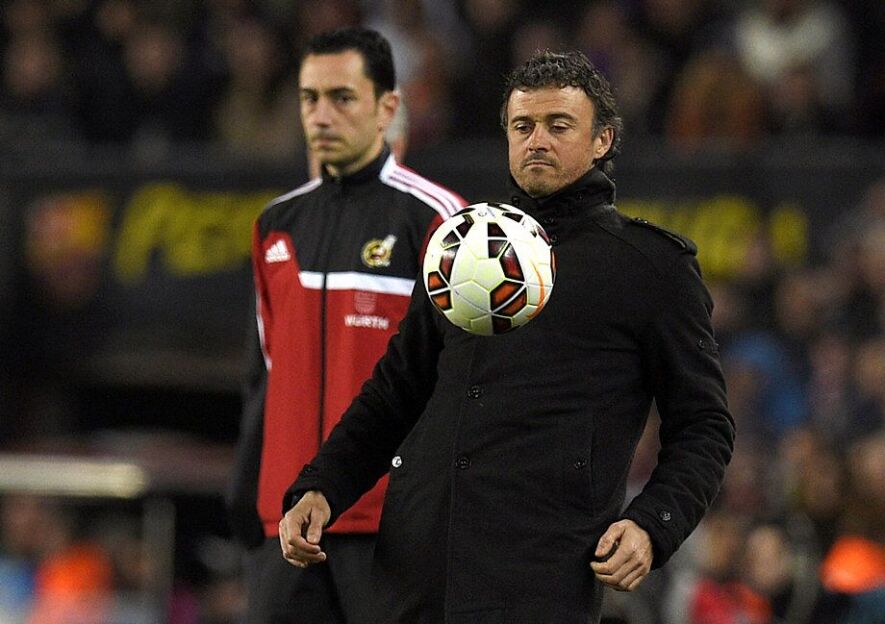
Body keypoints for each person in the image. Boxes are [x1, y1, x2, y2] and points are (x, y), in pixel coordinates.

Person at [279, 49, 735, 623]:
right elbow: (395, 392)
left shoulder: (650, 266)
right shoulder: (458, 246)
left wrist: (653, 524)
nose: (536, 140)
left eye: (558, 125)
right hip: (416, 567)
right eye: (523, 126)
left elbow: (705, 426)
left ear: (603, 140)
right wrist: (323, 486)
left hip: (540, 577)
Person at [225, 26, 467, 623]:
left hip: (391, 527)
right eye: (309, 98)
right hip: (286, 528)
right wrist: (249, 491)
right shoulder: (275, 225)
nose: (321, 115)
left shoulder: (438, 220)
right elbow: (264, 376)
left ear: (387, 107)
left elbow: (463, 384)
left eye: (342, 97)